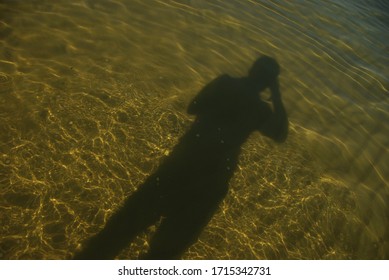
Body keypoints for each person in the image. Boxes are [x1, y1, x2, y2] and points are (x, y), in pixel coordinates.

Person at [74, 55, 288, 260]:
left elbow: (193, 107)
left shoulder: (224, 83)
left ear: (251, 69)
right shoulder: (260, 110)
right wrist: (276, 95)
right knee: (164, 253)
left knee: (120, 229)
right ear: (268, 83)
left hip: (181, 163)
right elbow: (280, 134)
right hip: (211, 180)